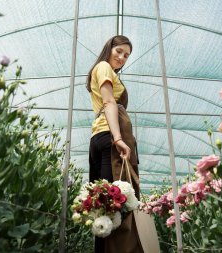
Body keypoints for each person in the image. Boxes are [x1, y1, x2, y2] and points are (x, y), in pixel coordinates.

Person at [87, 35, 143, 253]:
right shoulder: (102, 66)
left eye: (126, 55)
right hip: (108, 137)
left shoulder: (106, 71)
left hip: (101, 136)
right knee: (113, 205)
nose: (122, 57)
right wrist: (118, 138)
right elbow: (109, 102)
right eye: (118, 51)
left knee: (104, 206)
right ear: (108, 48)